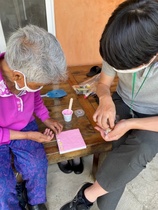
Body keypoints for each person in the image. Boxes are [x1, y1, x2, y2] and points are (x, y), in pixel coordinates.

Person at [60, 0, 158, 209]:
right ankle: (95, 196)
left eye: (124, 68)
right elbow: (103, 82)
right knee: (116, 141)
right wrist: (105, 100)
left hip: (153, 117)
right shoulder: (120, 41)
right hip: (122, 101)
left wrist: (130, 124)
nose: (116, 68)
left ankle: (86, 195)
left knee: (143, 146)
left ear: (151, 56)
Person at [0, 24, 67, 210]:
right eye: (37, 84)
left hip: (25, 125)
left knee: (36, 165)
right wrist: (29, 136)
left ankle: (36, 201)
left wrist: (45, 117)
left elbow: (35, 97)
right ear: (17, 76)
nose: (38, 89)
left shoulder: (24, 78)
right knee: (2, 188)